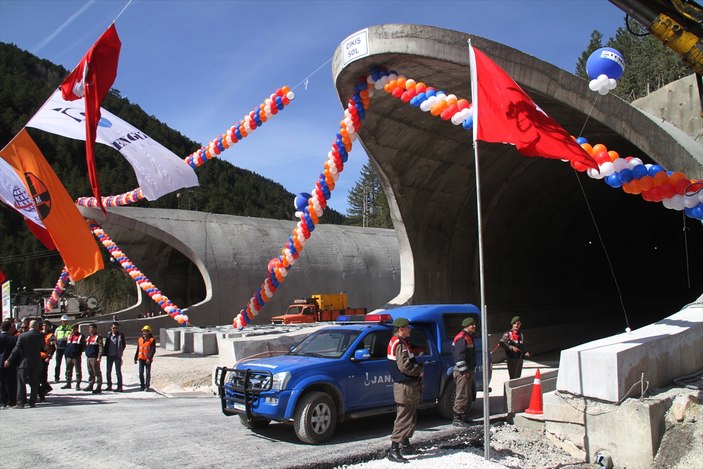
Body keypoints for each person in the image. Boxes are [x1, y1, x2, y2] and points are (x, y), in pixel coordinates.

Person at [386, 317, 423, 463]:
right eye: (408, 327)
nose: (410, 329)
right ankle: (394, 449)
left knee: (410, 416)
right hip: (405, 386)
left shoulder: (398, 341)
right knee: (404, 417)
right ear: (401, 329)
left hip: (406, 385)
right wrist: (419, 370)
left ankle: (405, 445)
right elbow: (404, 367)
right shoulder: (399, 344)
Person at [4, 319, 45, 408]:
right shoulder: (41, 336)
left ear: (29, 326)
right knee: (34, 382)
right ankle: (32, 402)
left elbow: (16, 349)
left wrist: (9, 360)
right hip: (36, 362)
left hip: (24, 362)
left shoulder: (22, 336)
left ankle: (20, 403)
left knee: (21, 382)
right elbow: (44, 347)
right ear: (37, 326)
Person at [452, 317, 477, 426]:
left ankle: (464, 416)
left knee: (467, 395)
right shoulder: (462, 338)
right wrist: (465, 371)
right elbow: (459, 357)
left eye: (474, 324)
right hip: (462, 372)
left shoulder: (468, 337)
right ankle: (457, 418)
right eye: (472, 325)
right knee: (462, 395)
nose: (474, 326)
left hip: (468, 371)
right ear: (466, 326)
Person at [0, 319, 18, 408]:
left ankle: (3, 401)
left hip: (0, 363)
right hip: (11, 363)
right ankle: (12, 401)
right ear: (9, 328)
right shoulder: (14, 339)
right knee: (12, 382)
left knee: (1, 382)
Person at [103, 322, 126, 392]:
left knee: (118, 372)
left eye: (116, 328)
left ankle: (119, 387)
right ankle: (109, 386)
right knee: (108, 371)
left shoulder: (120, 335)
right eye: (113, 328)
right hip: (109, 356)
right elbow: (106, 344)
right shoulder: (108, 335)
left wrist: (120, 352)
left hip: (117, 356)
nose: (114, 329)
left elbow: (123, 344)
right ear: (111, 328)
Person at [61, 324, 85, 390]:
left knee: (78, 371)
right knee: (68, 370)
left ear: (77, 329)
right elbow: (67, 345)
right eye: (72, 329)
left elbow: (83, 346)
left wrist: (77, 352)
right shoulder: (69, 336)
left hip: (76, 357)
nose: (73, 330)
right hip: (68, 356)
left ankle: (78, 384)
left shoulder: (80, 336)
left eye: (74, 328)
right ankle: (68, 383)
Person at [135, 325, 156, 391]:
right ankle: (142, 385)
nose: (144, 333)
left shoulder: (152, 340)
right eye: (143, 331)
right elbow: (138, 349)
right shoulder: (140, 339)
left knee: (147, 373)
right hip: (141, 358)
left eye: (145, 331)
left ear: (149, 332)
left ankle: (147, 386)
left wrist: (149, 358)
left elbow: (153, 350)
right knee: (141, 373)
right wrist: (135, 358)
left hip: (148, 360)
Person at [83, 324, 103, 394]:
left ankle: (99, 386)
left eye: (92, 329)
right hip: (89, 356)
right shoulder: (89, 337)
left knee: (96, 372)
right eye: (89, 329)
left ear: (95, 329)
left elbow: (100, 347)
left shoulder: (98, 337)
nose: (90, 330)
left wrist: (99, 356)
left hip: (94, 357)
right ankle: (91, 384)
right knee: (90, 371)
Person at [39, 320, 55, 401]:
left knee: (43, 376)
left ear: (49, 326)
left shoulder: (51, 335)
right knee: (39, 376)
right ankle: (45, 389)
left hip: (45, 358)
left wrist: (49, 357)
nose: (44, 327)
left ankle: (43, 392)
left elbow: (52, 348)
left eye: (46, 325)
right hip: (38, 357)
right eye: (43, 325)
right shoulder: (40, 334)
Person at [53, 315, 72, 382]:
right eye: (63, 321)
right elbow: (55, 338)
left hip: (67, 348)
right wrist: (55, 345)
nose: (65, 322)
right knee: (58, 364)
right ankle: (56, 377)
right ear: (61, 321)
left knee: (68, 364)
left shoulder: (70, 329)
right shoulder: (58, 329)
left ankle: (67, 377)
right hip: (59, 348)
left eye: (66, 321)